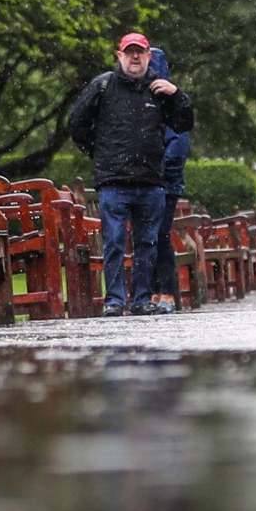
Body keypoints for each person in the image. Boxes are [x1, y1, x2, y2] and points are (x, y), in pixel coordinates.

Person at [67, 30, 193, 316]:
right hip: (113, 181)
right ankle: (113, 300)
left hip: (150, 181)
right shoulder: (103, 85)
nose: (135, 57)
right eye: (130, 52)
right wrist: (99, 153)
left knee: (147, 243)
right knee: (113, 241)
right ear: (119, 55)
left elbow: (184, 124)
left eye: (140, 52)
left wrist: (178, 95)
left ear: (149, 56)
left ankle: (141, 299)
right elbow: (77, 123)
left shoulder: (160, 90)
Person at [146, 44, 192, 313]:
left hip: (164, 184)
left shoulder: (172, 103)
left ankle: (167, 293)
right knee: (149, 237)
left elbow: (178, 147)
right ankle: (154, 292)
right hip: (150, 182)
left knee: (159, 235)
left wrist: (159, 174)